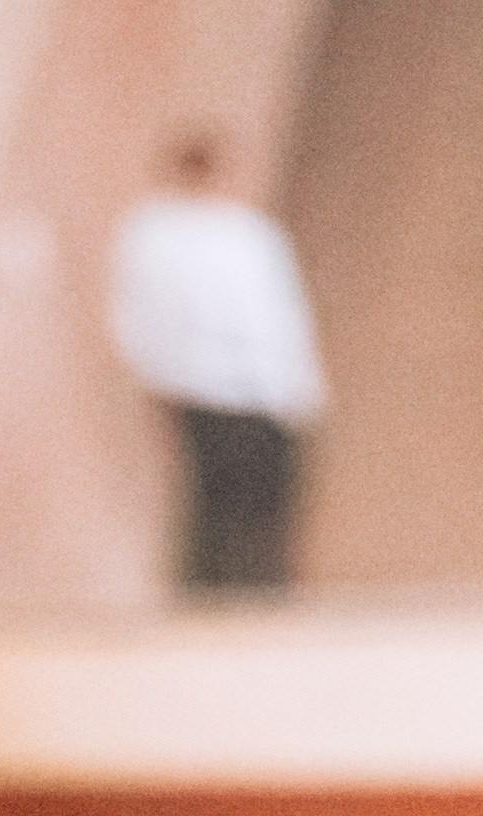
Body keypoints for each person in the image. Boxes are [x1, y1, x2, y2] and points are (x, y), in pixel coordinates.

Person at [109, 131, 327, 594]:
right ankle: (222, 594)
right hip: (215, 388)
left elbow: (279, 316)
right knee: (223, 503)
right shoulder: (168, 234)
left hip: (251, 389)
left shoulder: (243, 234)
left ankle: (245, 591)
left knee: (248, 503)